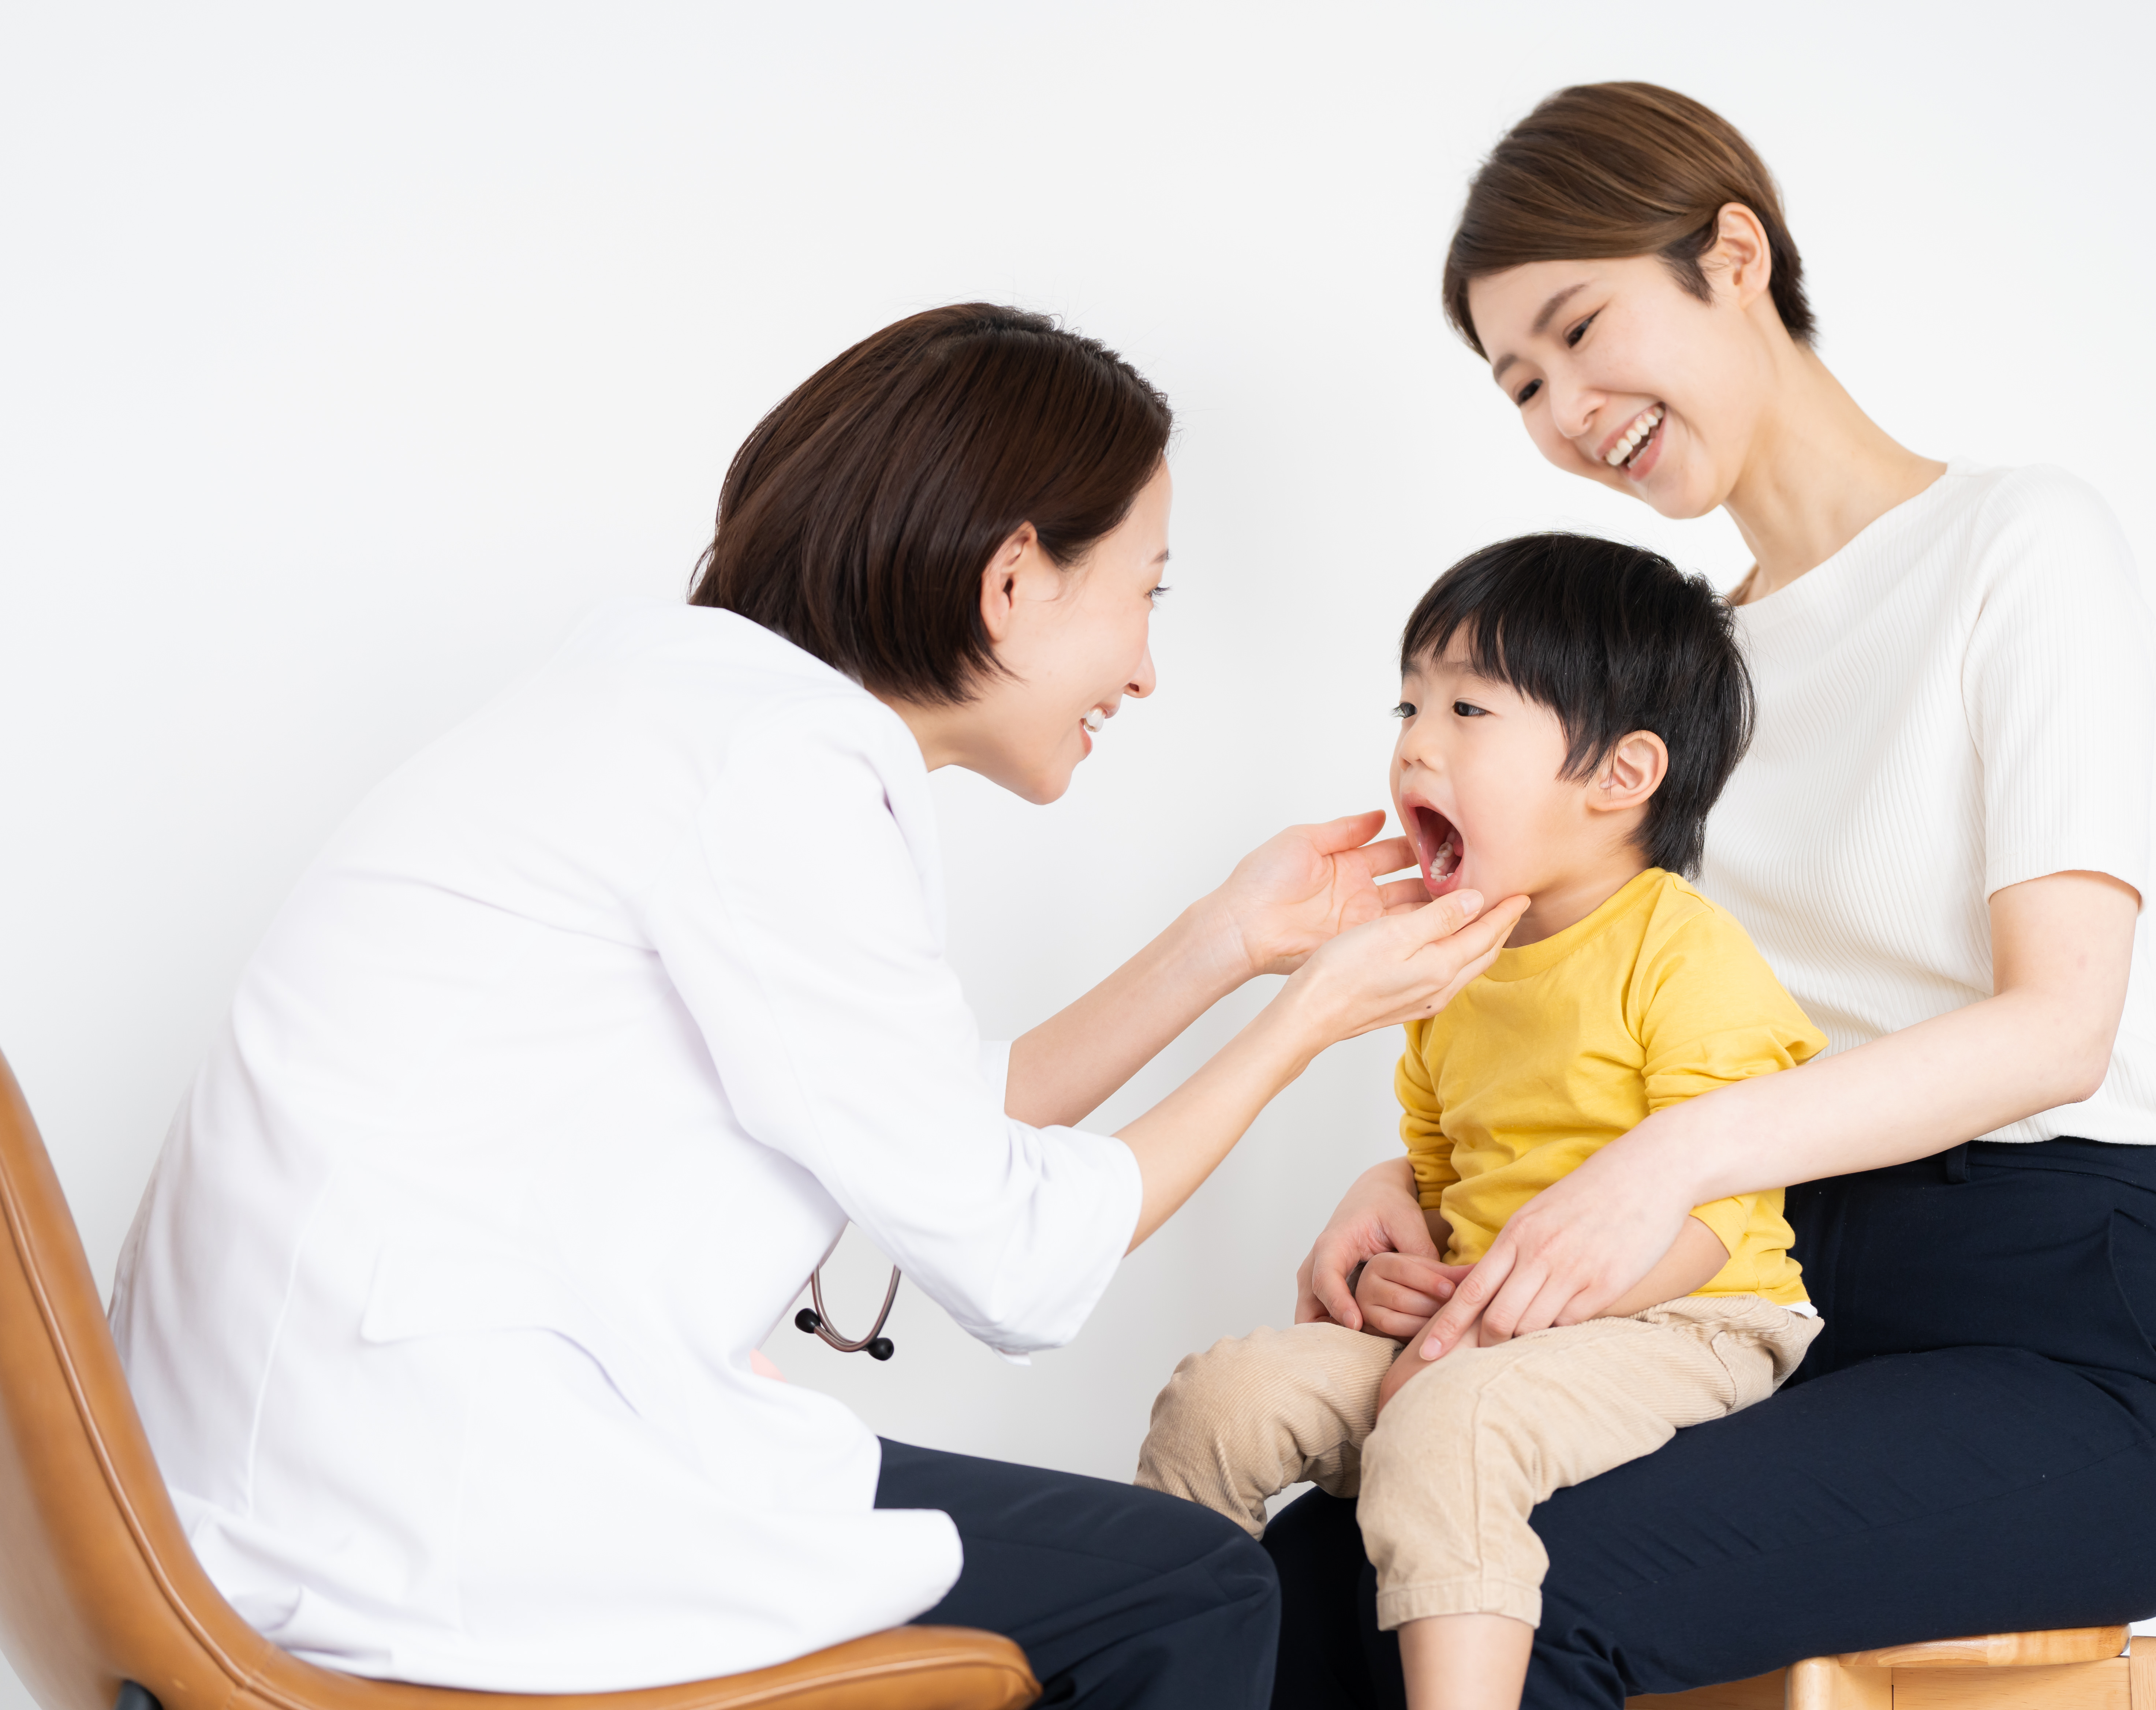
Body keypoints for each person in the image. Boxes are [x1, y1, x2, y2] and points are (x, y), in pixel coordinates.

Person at [108, 303, 1528, 1710]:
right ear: (1018, 577)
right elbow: (1018, 1255)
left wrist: (1228, 945)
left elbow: (931, 1126)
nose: (1148, 665)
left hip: (305, 1470)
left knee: (1131, 1571)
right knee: (1190, 1585)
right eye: (1145, 592)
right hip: (432, 1501)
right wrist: (1310, 1023)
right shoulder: (781, 769)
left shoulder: (682, 712)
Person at [1269, 84, 2156, 1707]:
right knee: (1299, 1587)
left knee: (1519, 1615)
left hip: (2055, 1334)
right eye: (1524, 384)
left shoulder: (2018, 547)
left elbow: (2059, 1026)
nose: (1571, 408)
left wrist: (1672, 1156)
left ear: (1735, 254)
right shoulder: (1670, 687)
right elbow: (1629, 1011)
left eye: (1584, 332)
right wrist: (1404, 1179)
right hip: (1749, 1313)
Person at [1134, 535, 1824, 1710]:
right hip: (1486, 1332)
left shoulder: (1683, 947)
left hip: (1691, 1322)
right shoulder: (1455, 965)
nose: (1415, 739)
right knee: (1221, 1400)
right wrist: (1411, 1248)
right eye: (1407, 702)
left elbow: (1715, 1213)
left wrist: (1486, 1324)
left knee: (1451, 1422)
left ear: (1622, 775)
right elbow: (1442, 1171)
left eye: (1467, 707)